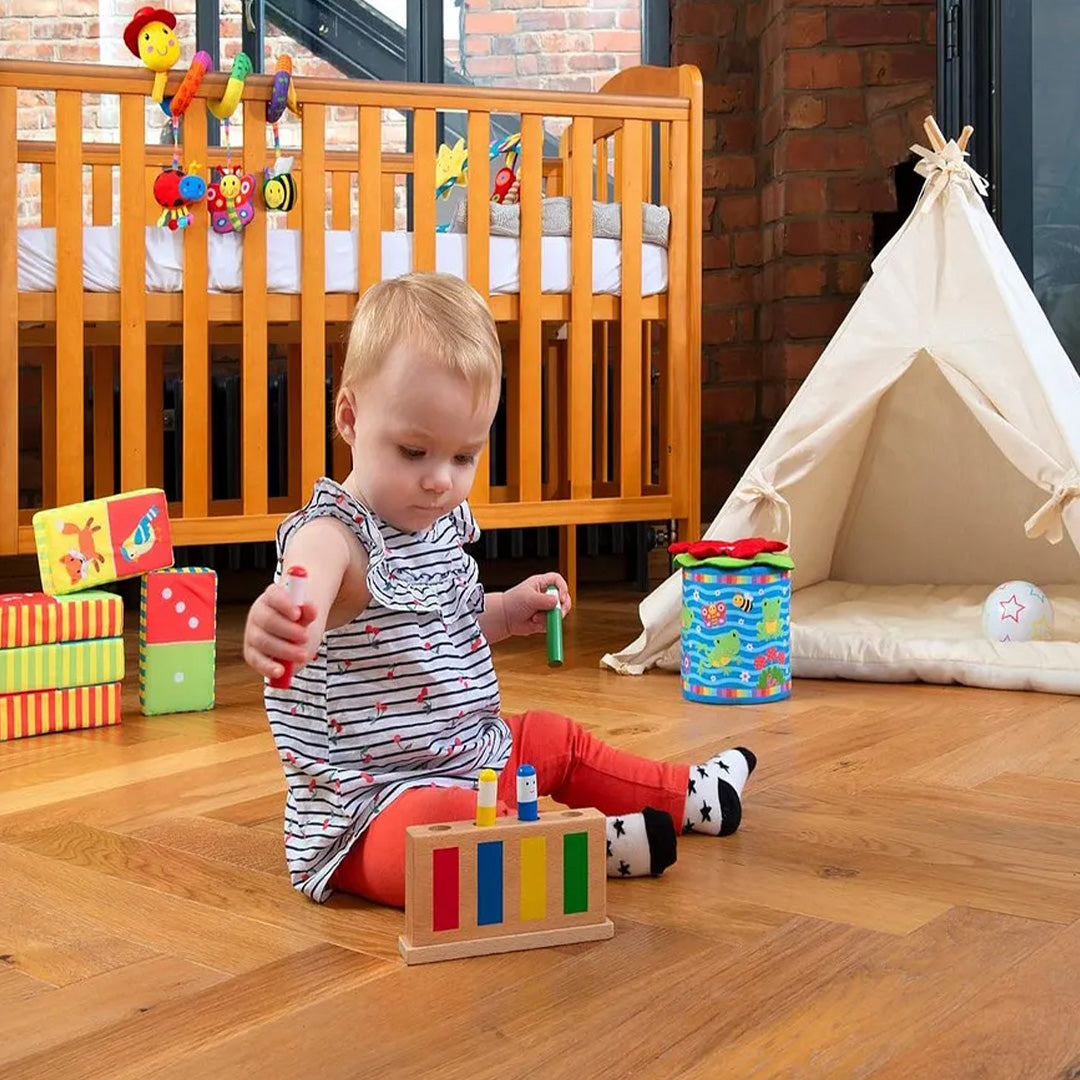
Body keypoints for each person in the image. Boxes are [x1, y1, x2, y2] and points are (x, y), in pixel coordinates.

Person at [242, 272, 757, 906]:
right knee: (444, 831)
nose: (440, 480)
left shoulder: (436, 524)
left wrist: (507, 611)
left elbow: (447, 623)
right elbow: (309, 574)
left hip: (468, 754)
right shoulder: (336, 534)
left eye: (463, 457)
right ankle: (585, 850)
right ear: (349, 417)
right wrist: (290, 615)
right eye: (413, 451)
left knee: (556, 740)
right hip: (369, 810)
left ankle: (689, 794)